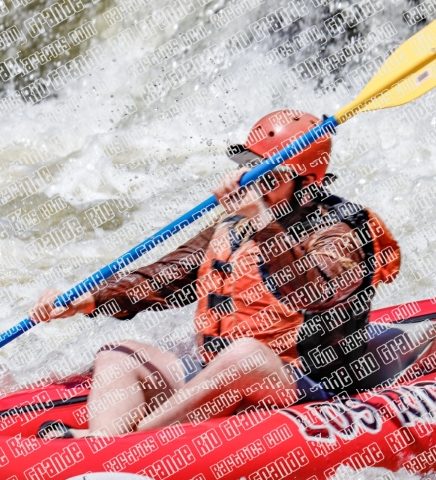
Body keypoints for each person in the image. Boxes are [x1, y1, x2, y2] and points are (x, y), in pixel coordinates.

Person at [31, 110, 401, 437]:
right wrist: (93, 298)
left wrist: (262, 221)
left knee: (245, 355)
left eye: (270, 179)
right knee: (116, 355)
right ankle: (102, 445)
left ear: (309, 182)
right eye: (253, 172)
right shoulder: (236, 223)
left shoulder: (344, 229)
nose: (256, 185)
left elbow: (314, 289)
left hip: (304, 386)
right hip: (218, 381)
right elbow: (166, 275)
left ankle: (137, 442)